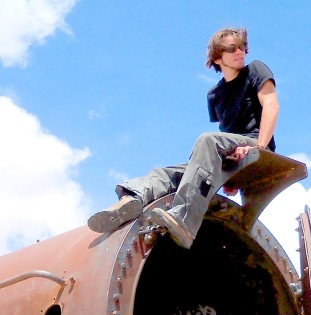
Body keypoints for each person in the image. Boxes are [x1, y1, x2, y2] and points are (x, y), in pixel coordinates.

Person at [87, 27, 279, 248]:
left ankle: (185, 219)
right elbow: (226, 133)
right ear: (217, 57)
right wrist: (229, 172)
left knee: (208, 140)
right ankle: (132, 199)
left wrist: (259, 147)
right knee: (169, 172)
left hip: (256, 144)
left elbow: (271, 106)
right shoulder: (215, 95)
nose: (241, 52)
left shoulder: (256, 70)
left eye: (243, 47)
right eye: (232, 48)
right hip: (230, 151)